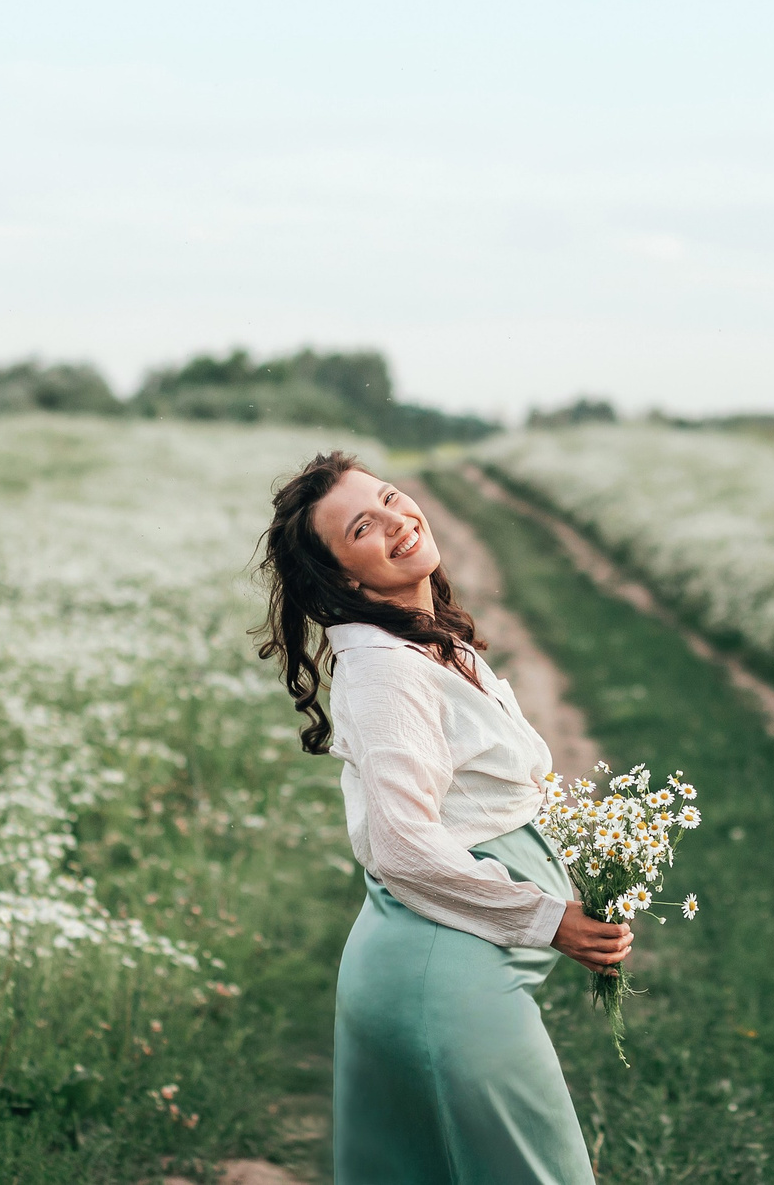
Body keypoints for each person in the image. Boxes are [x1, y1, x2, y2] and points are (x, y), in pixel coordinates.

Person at [256, 451, 628, 1185]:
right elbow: (401, 843)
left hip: (435, 964)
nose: (397, 519)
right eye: (364, 525)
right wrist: (547, 916)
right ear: (343, 576)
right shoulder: (385, 671)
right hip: (443, 978)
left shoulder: (419, 641)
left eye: (391, 498)